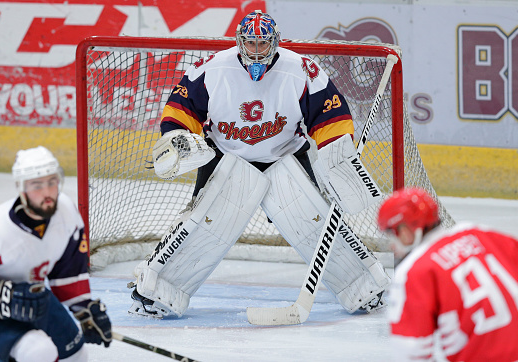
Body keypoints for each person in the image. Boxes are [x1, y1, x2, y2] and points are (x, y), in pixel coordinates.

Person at [129, 10, 390, 319]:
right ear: (239, 42)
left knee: (316, 224)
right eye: (249, 44)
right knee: (202, 226)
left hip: (286, 156)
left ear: (274, 43)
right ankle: (156, 292)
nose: (255, 51)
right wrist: (178, 139)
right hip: (226, 158)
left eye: (262, 45)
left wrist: (337, 155)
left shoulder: (300, 69)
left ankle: (363, 286)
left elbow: (329, 115)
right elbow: (180, 109)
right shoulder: (212, 69)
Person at [0, 146, 112, 362]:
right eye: (36, 186)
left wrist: (85, 310)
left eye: (52, 182)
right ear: (21, 189)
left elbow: (67, 274)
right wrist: (6, 298)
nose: (47, 192)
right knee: (38, 352)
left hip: (35, 299)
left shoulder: (66, 213)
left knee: (76, 354)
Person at [377, 187, 518, 361]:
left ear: (408, 230)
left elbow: (411, 351)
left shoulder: (413, 270)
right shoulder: (477, 232)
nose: (392, 244)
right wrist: (516, 309)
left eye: (392, 234)